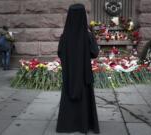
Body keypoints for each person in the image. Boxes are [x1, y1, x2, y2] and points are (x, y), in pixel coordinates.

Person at [56, 3, 100, 134]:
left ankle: (67, 125)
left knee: (68, 98)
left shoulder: (64, 36)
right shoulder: (87, 35)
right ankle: (84, 125)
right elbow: (95, 53)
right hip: (83, 74)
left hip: (69, 75)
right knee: (85, 98)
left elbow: (60, 53)